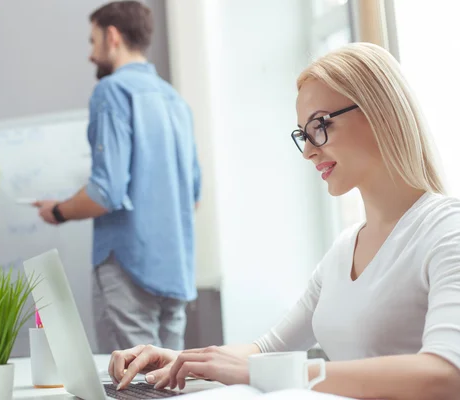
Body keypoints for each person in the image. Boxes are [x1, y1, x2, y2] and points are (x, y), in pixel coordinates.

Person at [105, 42, 460, 399]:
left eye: (320, 125)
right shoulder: (343, 250)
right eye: (303, 134)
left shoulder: (448, 230)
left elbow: (445, 373)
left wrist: (279, 374)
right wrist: (180, 360)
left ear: (380, 112)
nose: (308, 150)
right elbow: (266, 349)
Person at [34, 0, 201, 353]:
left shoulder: (111, 91)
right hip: (176, 271)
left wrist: (59, 211)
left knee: (131, 384)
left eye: (92, 41)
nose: (91, 55)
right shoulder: (176, 102)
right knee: (167, 382)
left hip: (127, 267)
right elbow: (194, 196)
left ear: (112, 36)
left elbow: (104, 193)